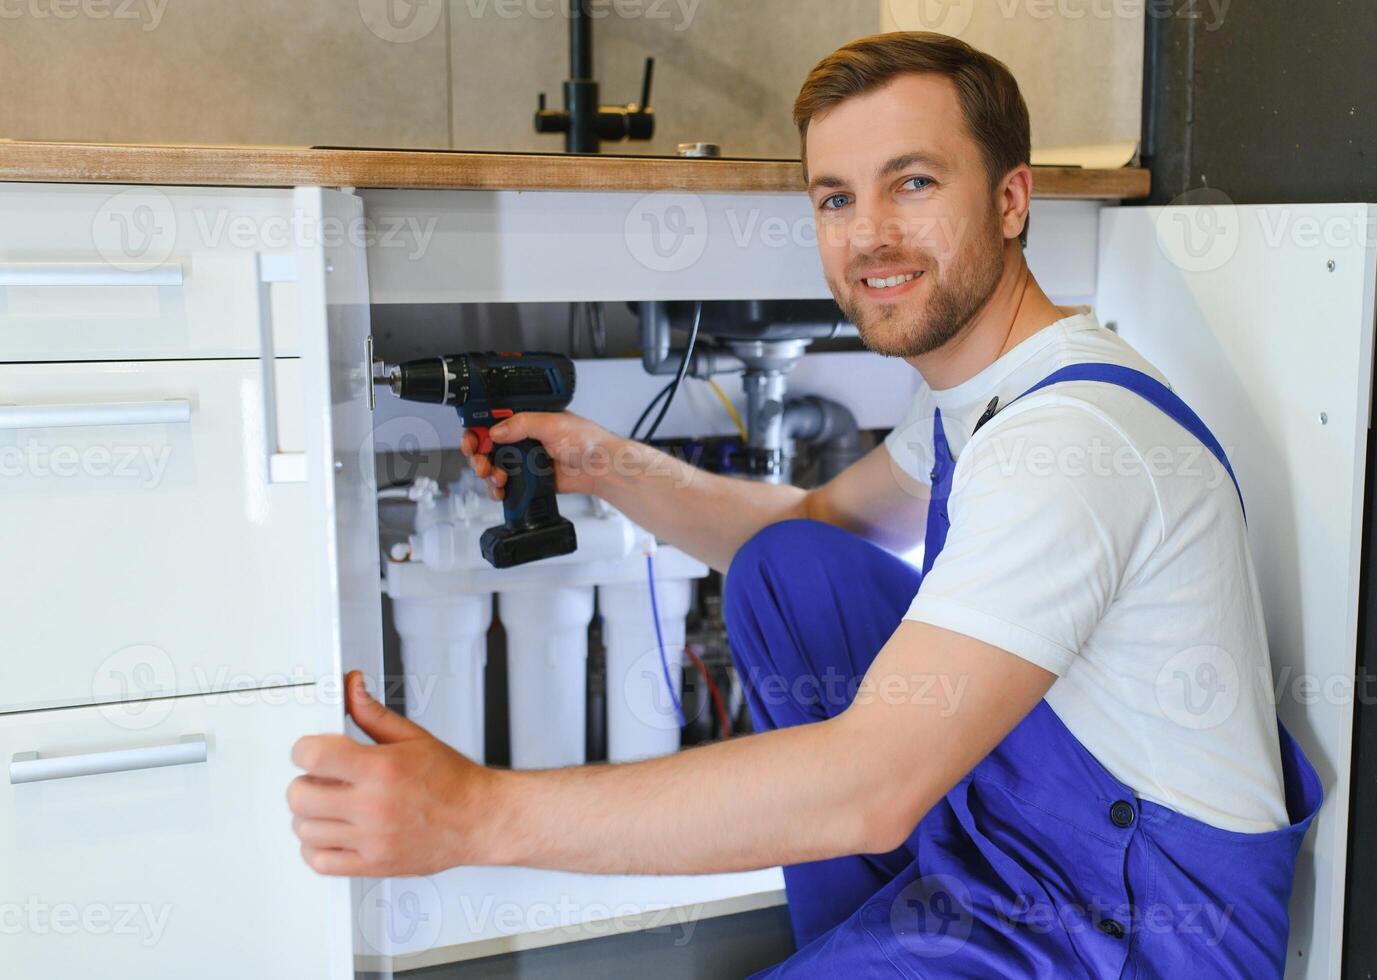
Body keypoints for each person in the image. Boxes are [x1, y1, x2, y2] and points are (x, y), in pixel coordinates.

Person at [288, 31, 1321, 977]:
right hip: (1025, 855)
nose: (870, 236)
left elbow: (868, 783)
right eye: (836, 198)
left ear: (1011, 199)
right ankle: (864, 945)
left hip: (1137, 931)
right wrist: (604, 462)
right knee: (796, 569)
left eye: (912, 183)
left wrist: (478, 813)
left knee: (837, 705)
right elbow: (811, 527)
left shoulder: (1069, 442)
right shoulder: (989, 393)